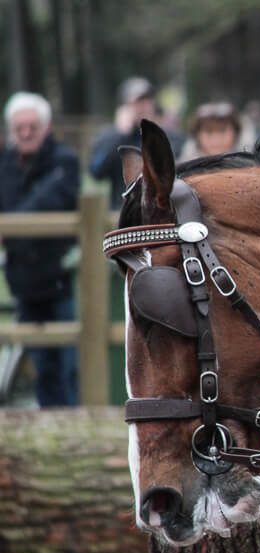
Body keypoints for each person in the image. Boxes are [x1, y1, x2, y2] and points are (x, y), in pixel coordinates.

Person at [0, 92, 80, 406]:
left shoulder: (64, 160)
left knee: (69, 364)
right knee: (41, 364)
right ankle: (50, 416)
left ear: (46, 127)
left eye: (32, 126)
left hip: (61, 278)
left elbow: (47, 201)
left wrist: (9, 228)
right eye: (18, 127)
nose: (25, 133)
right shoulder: (6, 164)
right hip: (23, 280)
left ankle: (74, 418)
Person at [88, 76, 183, 208]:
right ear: (124, 107)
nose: (143, 108)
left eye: (147, 102)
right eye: (137, 103)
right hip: (124, 211)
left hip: (162, 211)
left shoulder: (169, 136)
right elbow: (97, 172)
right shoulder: (112, 137)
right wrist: (120, 134)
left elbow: (176, 169)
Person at [178, 101, 248, 161]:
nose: (216, 138)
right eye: (209, 132)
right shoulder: (183, 169)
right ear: (197, 135)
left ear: (235, 133)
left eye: (222, 131)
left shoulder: (249, 166)